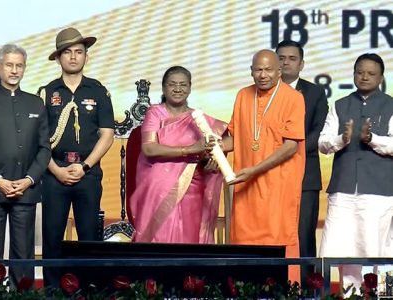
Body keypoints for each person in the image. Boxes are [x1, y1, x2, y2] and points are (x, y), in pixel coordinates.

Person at [0, 44, 50, 288]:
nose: (14, 70)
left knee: (24, 259)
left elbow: (44, 149)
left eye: (19, 65)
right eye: (9, 65)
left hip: (26, 192)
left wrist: (28, 180)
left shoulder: (36, 104)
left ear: (24, 68)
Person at [38, 27, 115, 288]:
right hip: (53, 173)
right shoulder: (46, 93)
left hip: (88, 173)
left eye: (79, 52)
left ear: (86, 57)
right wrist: (56, 170)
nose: (73, 57)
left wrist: (84, 166)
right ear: (58, 58)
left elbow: (107, 135)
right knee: (52, 237)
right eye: (67, 52)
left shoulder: (98, 91)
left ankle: (88, 290)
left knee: (89, 238)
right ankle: (51, 292)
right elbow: (37, 140)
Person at [222, 50, 305, 282]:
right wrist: (215, 146)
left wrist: (255, 170)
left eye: (268, 70)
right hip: (246, 189)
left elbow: (291, 147)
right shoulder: (242, 95)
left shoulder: (293, 98)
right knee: (244, 243)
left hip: (278, 188)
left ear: (279, 71)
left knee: (279, 242)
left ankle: (285, 292)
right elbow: (236, 138)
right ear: (251, 71)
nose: (263, 75)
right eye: (258, 70)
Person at [318, 53, 393, 292]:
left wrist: (371, 139)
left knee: (375, 247)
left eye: (371, 74)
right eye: (360, 72)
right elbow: (323, 143)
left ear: (381, 77)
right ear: (353, 74)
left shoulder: (391, 105)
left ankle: (379, 294)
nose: (364, 77)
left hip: (378, 190)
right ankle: (350, 294)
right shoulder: (340, 105)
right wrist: (343, 138)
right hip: (343, 189)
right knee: (343, 247)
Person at [129, 66, 227, 243]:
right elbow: (149, 149)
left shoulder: (197, 118)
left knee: (188, 238)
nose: (177, 89)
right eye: (172, 84)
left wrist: (212, 158)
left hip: (192, 186)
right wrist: (190, 149)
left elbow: (227, 141)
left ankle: (188, 272)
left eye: (183, 85)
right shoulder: (155, 112)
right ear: (164, 88)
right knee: (158, 239)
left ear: (189, 87)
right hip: (158, 186)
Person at [276, 40, 328, 283]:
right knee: (272, 235)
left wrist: (286, 153)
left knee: (303, 234)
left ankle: (306, 289)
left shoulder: (315, 93)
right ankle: (271, 285)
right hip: (268, 176)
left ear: (302, 64)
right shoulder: (264, 92)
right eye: (281, 58)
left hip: (304, 176)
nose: (285, 62)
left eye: (291, 58)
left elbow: (318, 133)